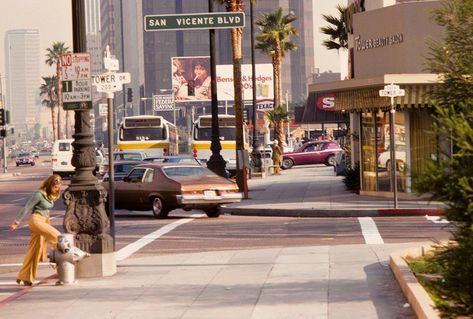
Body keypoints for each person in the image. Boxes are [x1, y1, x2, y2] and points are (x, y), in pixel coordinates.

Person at [9, 174, 62, 286]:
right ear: (50, 184)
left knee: (34, 251)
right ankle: (57, 263)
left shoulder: (50, 194)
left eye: (58, 186)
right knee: (58, 238)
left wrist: (56, 191)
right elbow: (26, 207)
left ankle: (25, 277)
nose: (57, 188)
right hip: (36, 221)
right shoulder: (39, 194)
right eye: (55, 186)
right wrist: (16, 222)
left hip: (44, 221)